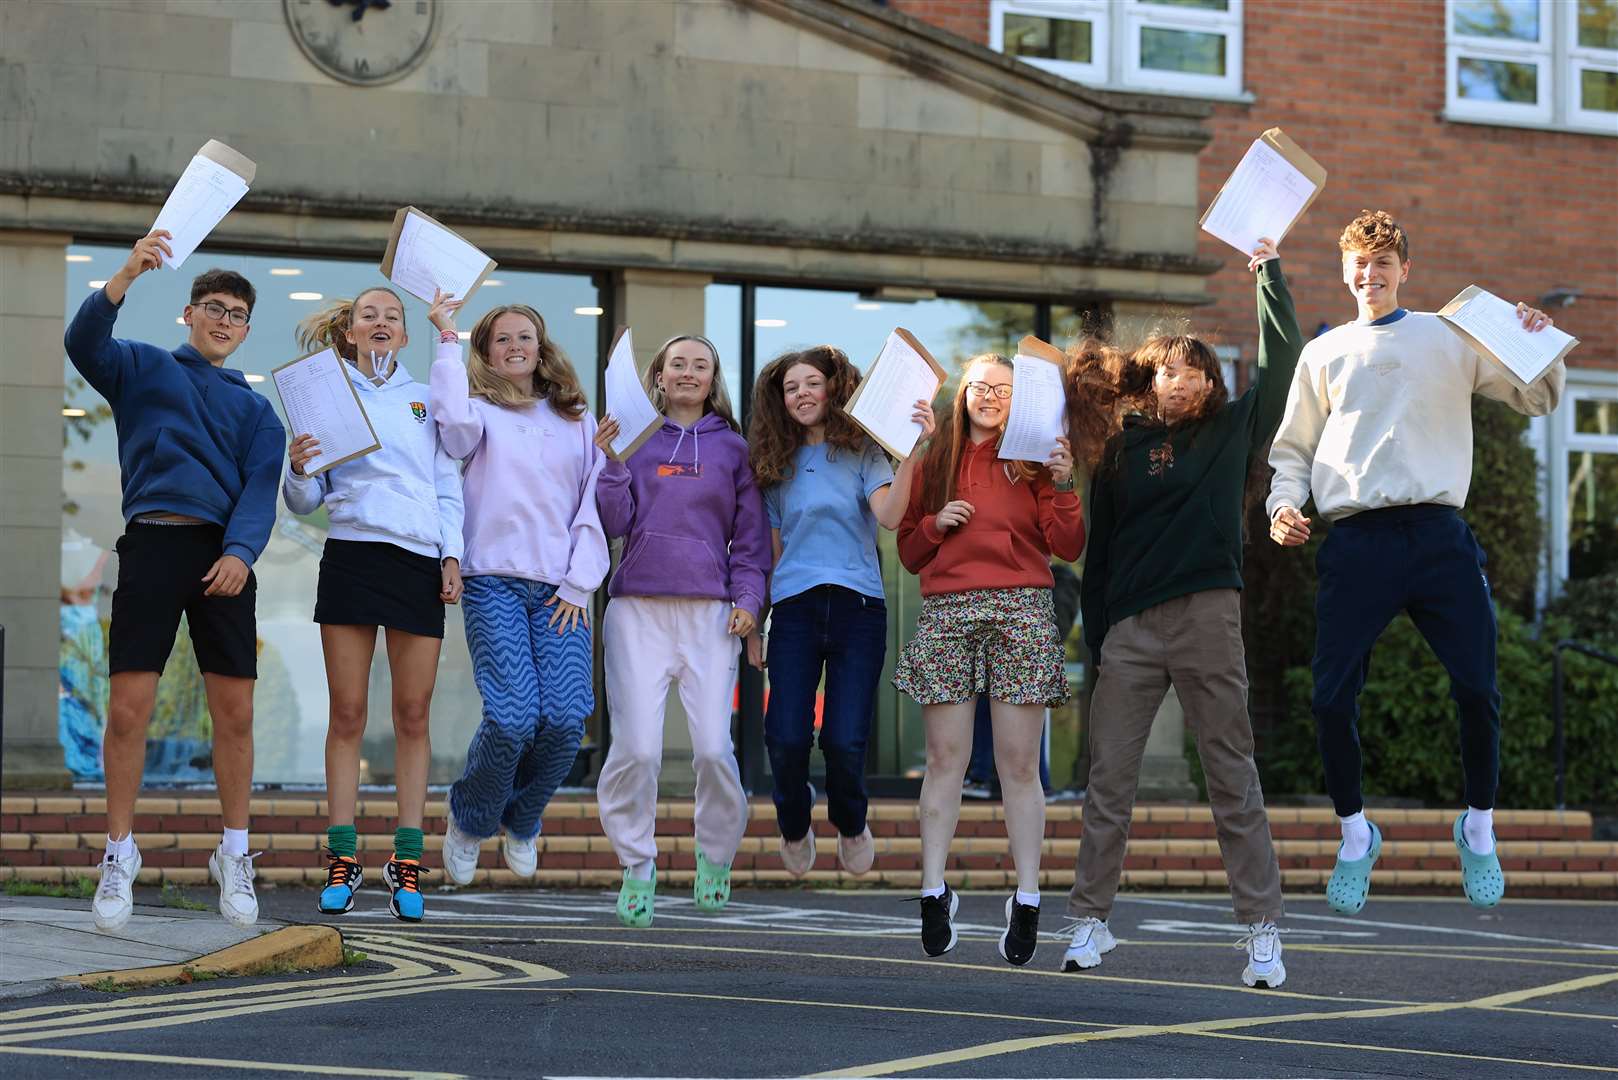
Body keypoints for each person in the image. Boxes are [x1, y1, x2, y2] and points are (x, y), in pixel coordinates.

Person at [1267, 210, 1564, 914]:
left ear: (1405, 271)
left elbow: (1537, 396)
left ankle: (1478, 828)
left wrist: (1537, 341)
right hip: (1356, 539)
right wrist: (1282, 506)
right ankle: (1354, 836)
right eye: (1359, 266)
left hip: (1438, 536)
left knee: (1478, 687)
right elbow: (1292, 451)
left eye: (1383, 265)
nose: (1370, 276)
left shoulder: (1448, 334)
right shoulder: (1324, 352)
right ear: (1344, 272)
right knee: (1330, 698)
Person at [1064, 238, 1299, 988]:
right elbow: (1097, 558)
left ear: (1210, 384)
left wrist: (1267, 271)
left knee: (1231, 772)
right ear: (1150, 377)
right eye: (1171, 369)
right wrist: (1100, 640)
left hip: (1206, 617)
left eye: (1196, 371)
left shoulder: (1230, 435)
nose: (1184, 380)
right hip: (1131, 630)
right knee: (1110, 783)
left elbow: (1284, 360)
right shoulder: (1120, 454)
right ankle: (1089, 923)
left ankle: (1262, 933)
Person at [65, 230, 284, 931]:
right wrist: (129, 271)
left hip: (224, 557)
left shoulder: (257, 413)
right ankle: (119, 855)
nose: (225, 320)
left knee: (237, 716)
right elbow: (83, 342)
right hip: (154, 546)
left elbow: (260, 489)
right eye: (214, 306)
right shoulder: (143, 368)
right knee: (129, 710)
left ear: (247, 331)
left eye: (238, 314)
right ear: (189, 313)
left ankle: (235, 853)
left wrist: (244, 553)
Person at [894, 352, 1082, 966]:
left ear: (1018, 398)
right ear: (962, 393)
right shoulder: (936, 455)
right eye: (981, 386)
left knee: (1017, 765)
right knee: (945, 758)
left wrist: (1063, 483)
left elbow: (1068, 545)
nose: (991, 396)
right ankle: (932, 890)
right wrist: (935, 525)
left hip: (1024, 605)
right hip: (949, 606)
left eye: (1004, 388)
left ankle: (1027, 896)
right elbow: (909, 552)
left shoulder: (1034, 457)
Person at [283, 286, 465, 922]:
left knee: (413, 715)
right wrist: (298, 467)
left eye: (392, 316)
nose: (381, 323)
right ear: (352, 330)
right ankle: (342, 859)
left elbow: (448, 484)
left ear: (405, 335)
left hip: (417, 558)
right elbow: (305, 502)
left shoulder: (425, 397)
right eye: (369, 315)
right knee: (348, 712)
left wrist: (452, 554)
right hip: (353, 553)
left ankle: (407, 865)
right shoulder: (327, 395)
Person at [430, 295, 608, 888]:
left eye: (524, 337)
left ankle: (524, 817)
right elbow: (451, 435)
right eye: (501, 339)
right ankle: (471, 817)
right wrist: (447, 341)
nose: (514, 347)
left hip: (560, 590)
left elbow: (592, 505)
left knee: (563, 720)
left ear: (542, 347)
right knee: (511, 719)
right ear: (486, 351)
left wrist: (580, 584)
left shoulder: (577, 420)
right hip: (492, 583)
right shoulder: (477, 412)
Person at [594, 334, 769, 927]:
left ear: (712, 377)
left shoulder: (735, 449)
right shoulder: (635, 440)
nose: (689, 373)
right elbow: (612, 522)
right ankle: (637, 864)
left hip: (710, 615)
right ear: (659, 377)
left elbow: (750, 541)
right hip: (637, 610)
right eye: (678, 364)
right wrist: (613, 463)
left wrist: (749, 600)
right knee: (637, 749)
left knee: (715, 750)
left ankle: (714, 857)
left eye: (701, 364)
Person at [744, 346, 933, 876]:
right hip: (796, 611)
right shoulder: (774, 467)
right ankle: (794, 823)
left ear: (834, 389)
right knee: (784, 737)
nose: (802, 394)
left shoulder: (865, 455)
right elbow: (770, 557)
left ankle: (851, 824)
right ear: (779, 400)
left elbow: (892, 518)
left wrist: (913, 451)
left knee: (844, 740)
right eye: (791, 388)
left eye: (811, 383)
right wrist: (755, 624)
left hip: (858, 610)